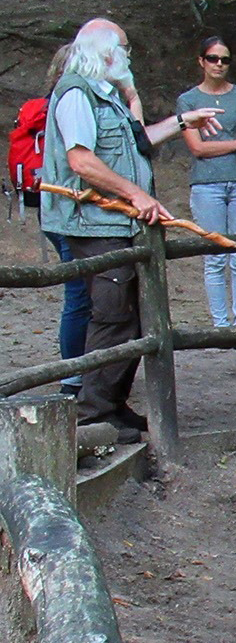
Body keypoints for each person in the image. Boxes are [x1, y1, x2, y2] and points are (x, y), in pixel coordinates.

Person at [40, 19, 221, 441]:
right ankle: (92, 414)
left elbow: (136, 140)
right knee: (111, 314)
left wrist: (182, 122)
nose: (128, 56)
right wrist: (135, 195)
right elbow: (81, 161)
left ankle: (111, 406)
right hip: (94, 222)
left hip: (117, 221)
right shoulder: (76, 94)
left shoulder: (107, 96)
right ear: (106, 53)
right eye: (124, 48)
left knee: (132, 314)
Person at [177, 36, 236, 331]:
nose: (219, 64)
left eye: (225, 59)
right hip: (206, 185)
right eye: (213, 58)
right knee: (214, 258)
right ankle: (220, 325)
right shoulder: (188, 101)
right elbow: (198, 148)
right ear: (201, 61)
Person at [27, 45, 87, 399]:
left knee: (80, 293)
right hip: (67, 211)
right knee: (79, 294)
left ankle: (78, 373)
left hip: (50, 209)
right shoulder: (72, 105)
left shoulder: (47, 105)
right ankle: (73, 379)